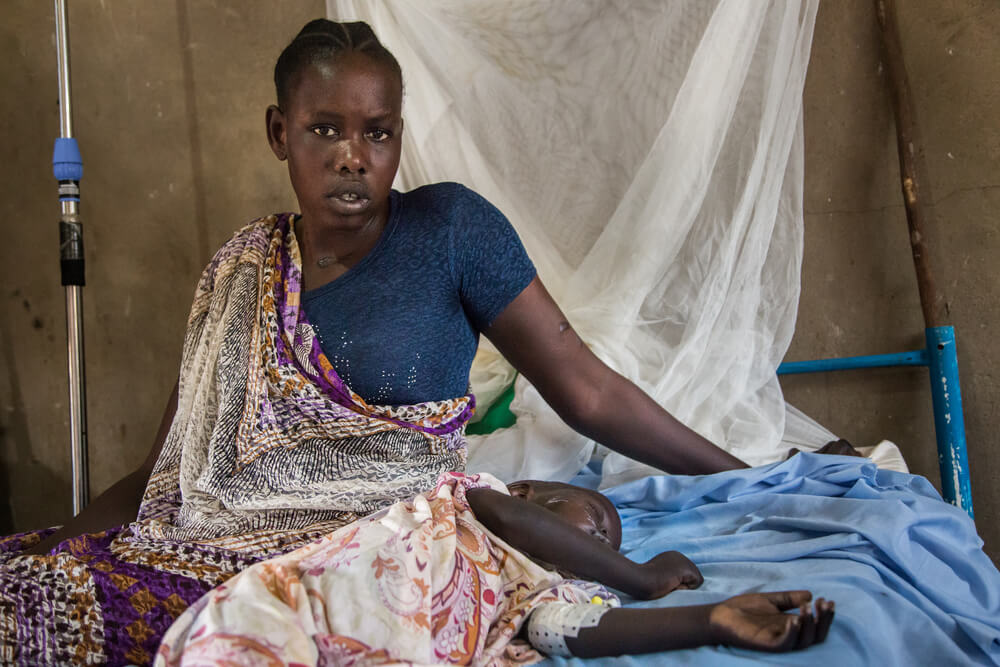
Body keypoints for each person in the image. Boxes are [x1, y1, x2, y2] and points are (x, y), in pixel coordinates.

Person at [1, 18, 848, 665]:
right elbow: (171, 471)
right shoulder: (239, 272)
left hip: (352, 556)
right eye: (324, 129)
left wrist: (756, 473)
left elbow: (588, 392)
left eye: (377, 132)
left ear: (398, 137)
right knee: (29, 588)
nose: (352, 158)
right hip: (202, 541)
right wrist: (65, 532)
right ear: (277, 132)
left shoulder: (452, 232)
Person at [156, 472, 834, 664]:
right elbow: (512, 522)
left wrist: (708, 620)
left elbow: (574, 630)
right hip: (290, 606)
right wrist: (640, 574)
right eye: (593, 518)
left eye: (608, 538)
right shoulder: (479, 499)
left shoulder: (543, 589)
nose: (601, 538)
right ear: (532, 488)